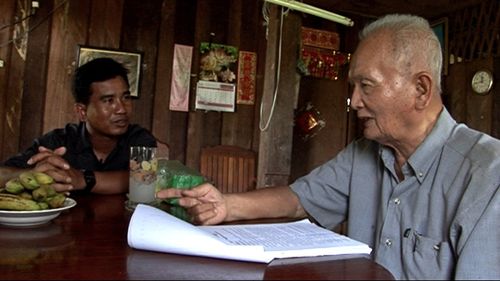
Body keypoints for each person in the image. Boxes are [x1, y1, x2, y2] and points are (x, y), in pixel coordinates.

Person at [156, 14, 500, 280]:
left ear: (421, 89)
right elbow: (297, 200)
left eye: (366, 85)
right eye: (353, 87)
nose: (353, 101)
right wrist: (226, 207)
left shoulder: (488, 176)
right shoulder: (363, 154)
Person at [1, 57, 162, 195]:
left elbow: (144, 179)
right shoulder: (59, 141)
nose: (122, 109)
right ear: (82, 111)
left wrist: (84, 179)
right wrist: (32, 173)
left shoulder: (139, 138)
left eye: (126, 98)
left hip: (126, 228)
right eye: (108, 100)